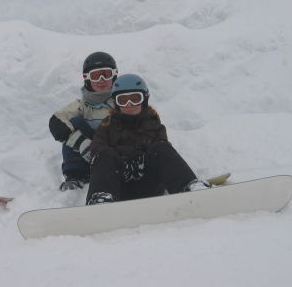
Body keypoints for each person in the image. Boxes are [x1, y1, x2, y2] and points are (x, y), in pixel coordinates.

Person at [86, 73, 210, 205]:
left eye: (135, 98)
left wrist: (140, 159)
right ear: (116, 103)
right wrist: (125, 163)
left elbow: (163, 153)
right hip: (118, 187)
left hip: (149, 184)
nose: (129, 104)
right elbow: (96, 150)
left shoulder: (154, 125)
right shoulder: (106, 126)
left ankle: (188, 188)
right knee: (104, 154)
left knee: (161, 148)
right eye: (123, 100)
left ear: (144, 100)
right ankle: (100, 200)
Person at [49, 52, 118, 191]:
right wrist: (81, 143)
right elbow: (56, 120)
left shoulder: (122, 101)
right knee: (75, 122)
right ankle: (76, 175)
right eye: (96, 75)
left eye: (106, 74)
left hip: (115, 155)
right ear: (87, 78)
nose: (101, 79)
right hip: (87, 157)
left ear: (114, 75)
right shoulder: (82, 105)